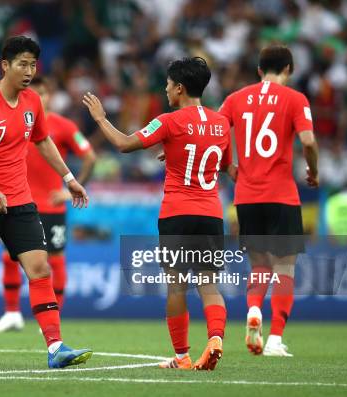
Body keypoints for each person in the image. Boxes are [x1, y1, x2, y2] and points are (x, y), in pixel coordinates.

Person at [0, 36, 92, 369]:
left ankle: (55, 347)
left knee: (40, 269)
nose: (29, 71)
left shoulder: (33, 102)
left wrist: (70, 179)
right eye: (22, 64)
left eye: (33, 65)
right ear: (5, 65)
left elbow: (43, 142)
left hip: (21, 201)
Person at [84, 57, 234, 371]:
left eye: (167, 85)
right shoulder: (221, 122)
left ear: (179, 88)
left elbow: (125, 144)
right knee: (209, 285)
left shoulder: (168, 121)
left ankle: (181, 357)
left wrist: (100, 118)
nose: (165, 90)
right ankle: (216, 337)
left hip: (177, 212)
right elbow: (222, 164)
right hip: (210, 213)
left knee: (177, 286)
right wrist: (177, 151)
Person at [219, 45, 319, 357]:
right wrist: (313, 171)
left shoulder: (236, 98)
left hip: (246, 196)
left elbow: (217, 131)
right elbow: (309, 141)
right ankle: (275, 338)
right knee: (285, 269)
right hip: (282, 195)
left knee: (259, 265)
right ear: (288, 68)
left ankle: (253, 311)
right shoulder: (295, 99)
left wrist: (229, 165)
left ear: (259, 70)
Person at [0, 76, 96, 333]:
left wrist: (72, 190)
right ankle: (12, 313)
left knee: (55, 260)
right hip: (18, 202)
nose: (38, 97)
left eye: (43, 93)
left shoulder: (64, 126)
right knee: (9, 257)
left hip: (50, 206)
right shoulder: (10, 122)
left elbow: (89, 156)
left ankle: (52, 314)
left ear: (48, 96)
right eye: (33, 92)